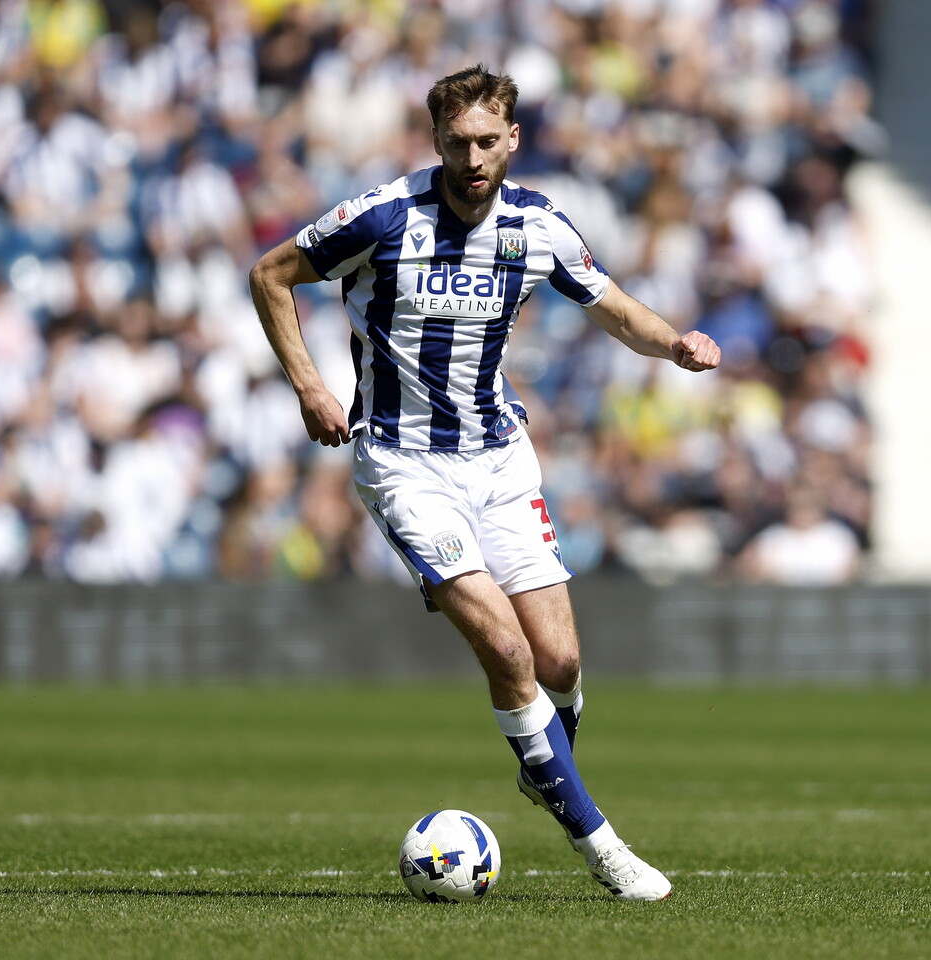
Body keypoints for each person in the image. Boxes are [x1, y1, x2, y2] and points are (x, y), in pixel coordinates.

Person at [249, 64, 721, 901]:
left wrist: (676, 343)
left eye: (486, 141)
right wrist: (311, 386)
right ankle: (603, 847)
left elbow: (614, 307)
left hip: (500, 458)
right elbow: (270, 273)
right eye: (456, 142)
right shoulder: (384, 216)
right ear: (435, 141)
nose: (472, 158)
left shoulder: (537, 226)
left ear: (513, 140)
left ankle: (544, 769)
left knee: (560, 662)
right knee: (505, 651)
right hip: (404, 463)